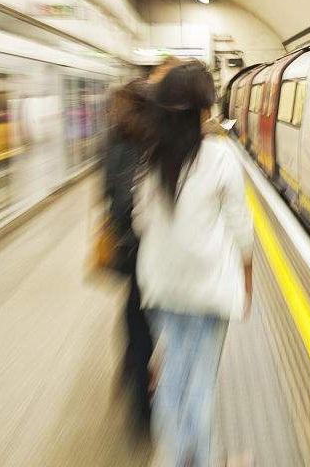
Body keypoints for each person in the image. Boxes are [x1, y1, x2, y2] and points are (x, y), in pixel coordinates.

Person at [134, 61, 254, 466]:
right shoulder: (220, 157)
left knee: (171, 377)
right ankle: (200, 460)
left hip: (162, 286)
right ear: (203, 110)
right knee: (200, 382)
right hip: (206, 287)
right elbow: (241, 228)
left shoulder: (151, 160)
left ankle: (170, 458)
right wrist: (247, 279)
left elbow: (139, 221)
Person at [104, 79, 155, 431]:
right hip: (144, 250)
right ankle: (143, 409)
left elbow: (108, 192)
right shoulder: (142, 144)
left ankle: (132, 376)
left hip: (127, 248)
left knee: (134, 318)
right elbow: (126, 202)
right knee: (144, 326)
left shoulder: (113, 140)